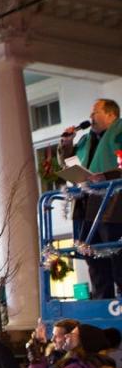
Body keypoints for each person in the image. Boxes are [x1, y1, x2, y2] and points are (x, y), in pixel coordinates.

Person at [58, 98, 122, 298]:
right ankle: (103, 298)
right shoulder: (85, 140)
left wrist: (106, 176)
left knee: (116, 253)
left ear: (111, 114)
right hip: (87, 205)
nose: (90, 117)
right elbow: (70, 164)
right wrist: (67, 144)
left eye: (95, 112)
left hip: (114, 203)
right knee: (92, 254)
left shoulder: (119, 132)